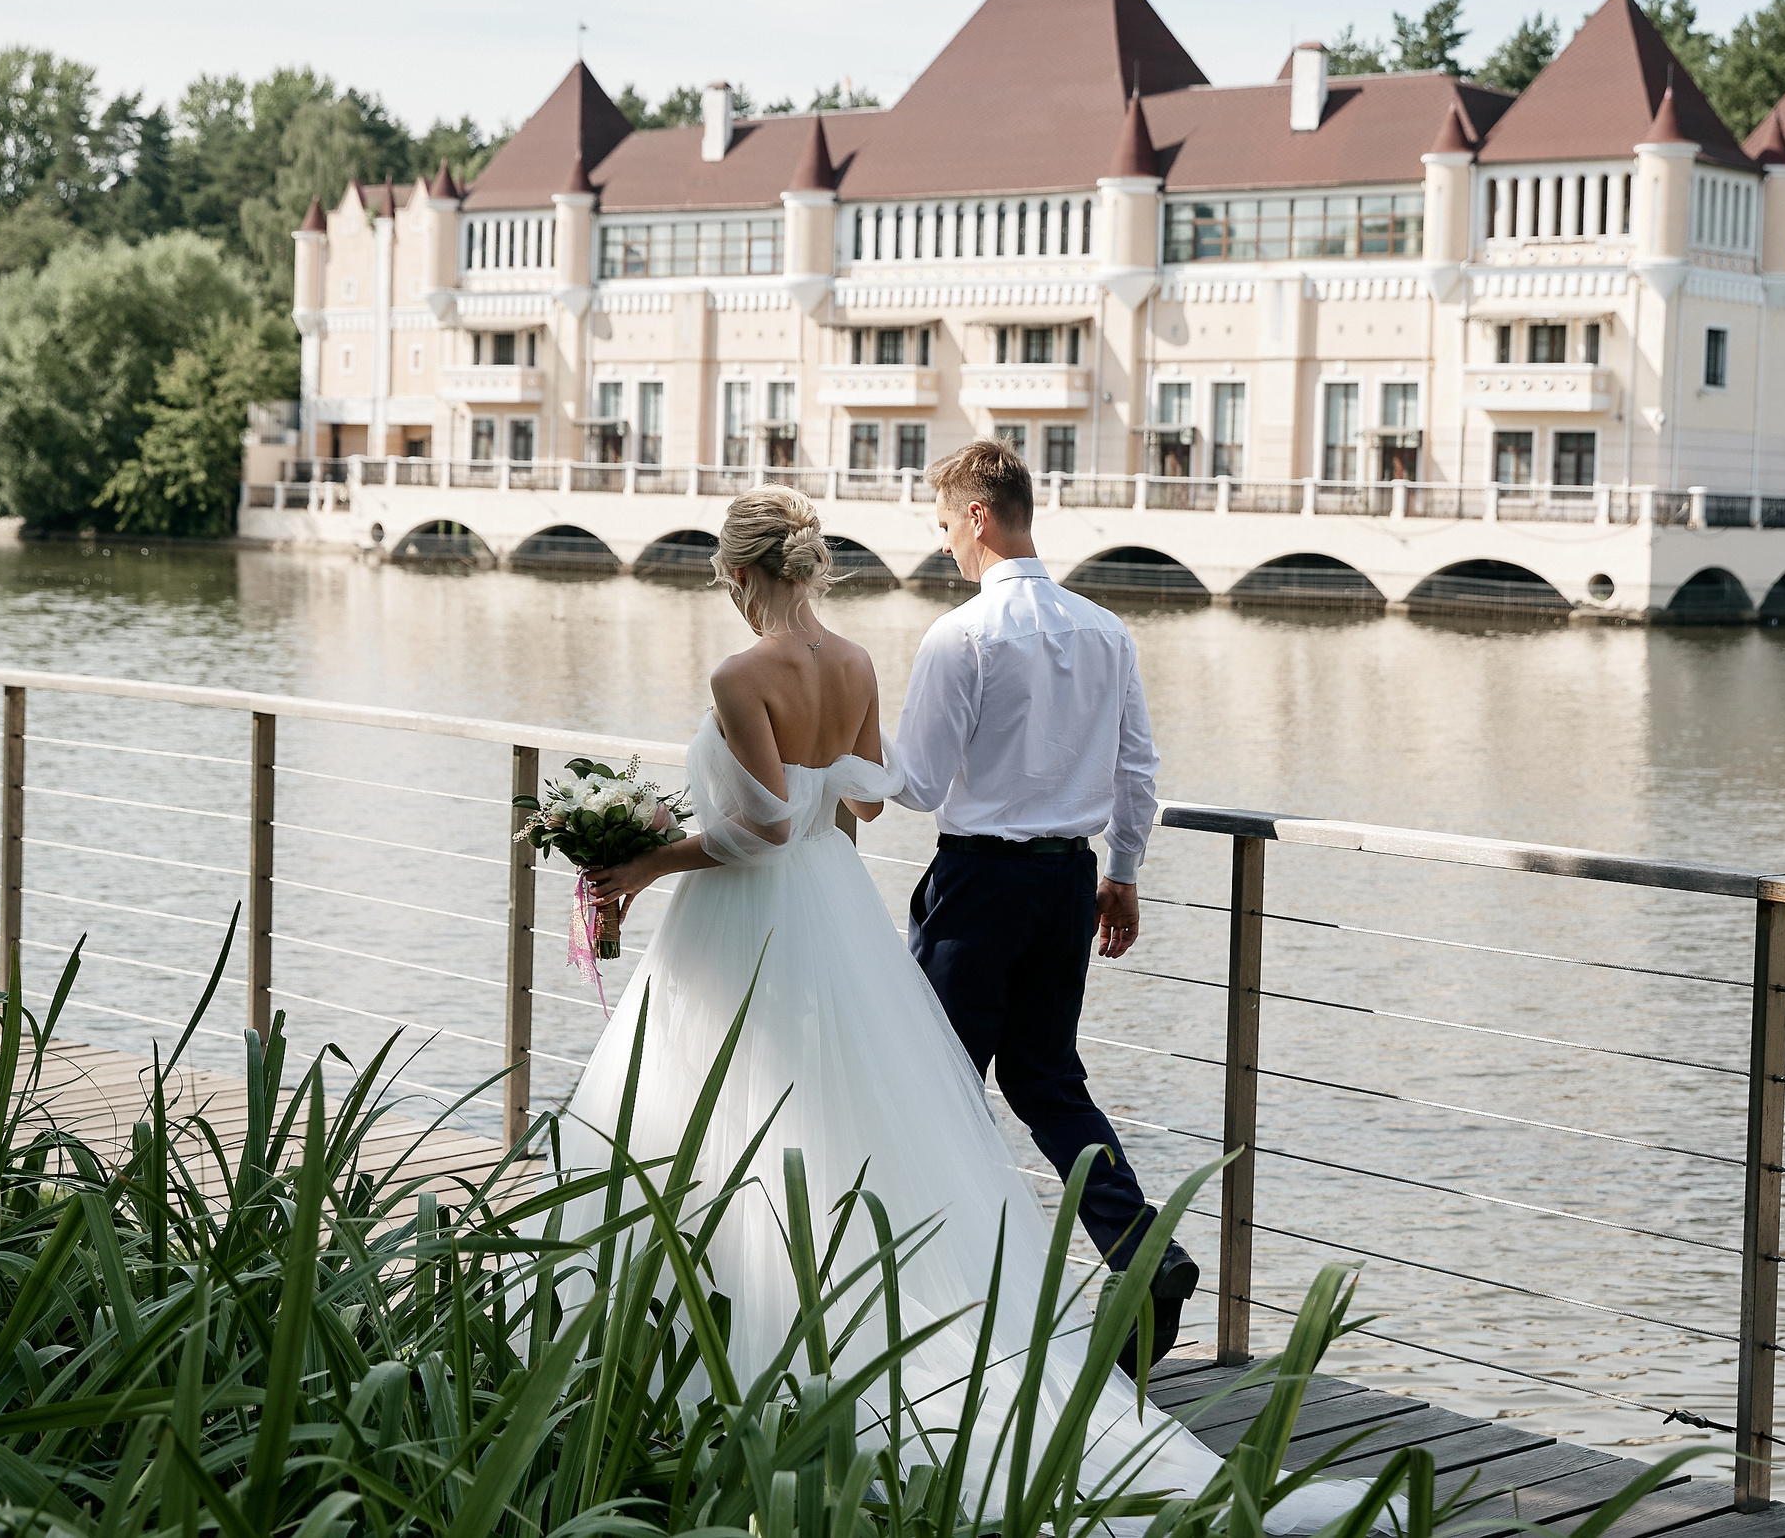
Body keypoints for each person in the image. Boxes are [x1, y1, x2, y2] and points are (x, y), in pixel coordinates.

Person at [574, 486, 1376, 1532]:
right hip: (842, 909)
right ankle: (880, 1308)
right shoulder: (859, 662)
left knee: (724, 1112)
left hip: (752, 915)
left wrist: (638, 859)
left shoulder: (739, 673)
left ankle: (715, 1347)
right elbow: (864, 795)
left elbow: (758, 828)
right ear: (805, 565)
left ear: (734, 575)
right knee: (865, 1111)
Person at [887, 438, 1194, 1376]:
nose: (943, 547)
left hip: (979, 887)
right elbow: (1137, 767)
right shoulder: (1104, 628)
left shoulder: (961, 635)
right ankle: (1144, 1251)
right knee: (1046, 1081)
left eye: (944, 526)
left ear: (977, 516)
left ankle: (952, 1296)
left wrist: (824, 757)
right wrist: (1124, 873)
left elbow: (916, 782)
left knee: (934, 1082)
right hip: (1070, 881)